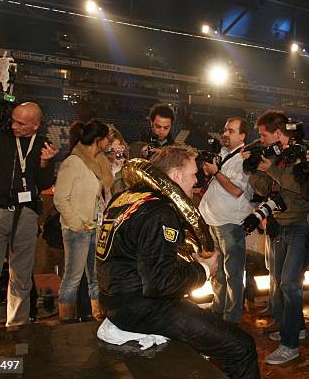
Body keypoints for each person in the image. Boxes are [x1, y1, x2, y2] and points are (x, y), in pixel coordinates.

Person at [97, 145, 260, 379]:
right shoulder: (159, 211)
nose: (196, 180)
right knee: (242, 347)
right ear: (176, 176)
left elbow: (137, 259)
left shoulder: (125, 198)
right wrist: (204, 269)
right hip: (143, 308)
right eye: (193, 174)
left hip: (116, 302)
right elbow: (160, 284)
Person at [0, 102, 58, 330]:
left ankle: (17, 328)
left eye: (21, 123)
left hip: (26, 214)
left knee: (22, 278)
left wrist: (46, 163)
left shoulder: (43, 144)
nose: (14, 126)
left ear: (36, 125)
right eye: (13, 120)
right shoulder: (1, 138)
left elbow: (45, 183)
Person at [243, 110, 309, 365]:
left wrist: (272, 168)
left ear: (277, 132)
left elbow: (303, 189)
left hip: (299, 226)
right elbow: (265, 188)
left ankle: (291, 344)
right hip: (278, 225)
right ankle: (293, 327)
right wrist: (254, 169)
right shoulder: (275, 155)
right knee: (278, 281)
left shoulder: (300, 153)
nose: (261, 139)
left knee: (289, 284)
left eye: (264, 135)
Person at [53, 119, 114, 322]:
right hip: (77, 230)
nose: (109, 143)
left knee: (96, 277)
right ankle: (66, 321)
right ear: (99, 140)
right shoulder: (74, 162)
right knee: (73, 278)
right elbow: (60, 198)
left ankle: (96, 315)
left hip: (94, 228)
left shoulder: (98, 162)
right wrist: (77, 224)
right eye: (107, 139)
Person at [199, 117, 253, 324]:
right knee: (217, 272)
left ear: (242, 136)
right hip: (212, 220)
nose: (225, 134)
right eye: (224, 129)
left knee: (233, 273)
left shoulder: (245, 158)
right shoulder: (223, 153)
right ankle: (217, 310)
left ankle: (232, 316)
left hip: (230, 222)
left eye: (231, 131)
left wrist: (216, 172)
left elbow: (236, 190)